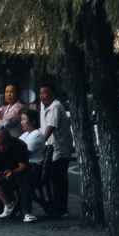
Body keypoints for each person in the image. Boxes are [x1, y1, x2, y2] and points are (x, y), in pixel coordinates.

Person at [34, 83, 70, 218]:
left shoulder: (56, 106)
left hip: (59, 148)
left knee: (58, 179)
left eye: (44, 93)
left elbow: (51, 126)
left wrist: (41, 142)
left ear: (52, 94)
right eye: (40, 93)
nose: (41, 96)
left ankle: (61, 208)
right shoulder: (45, 108)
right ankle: (57, 206)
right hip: (52, 149)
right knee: (53, 178)